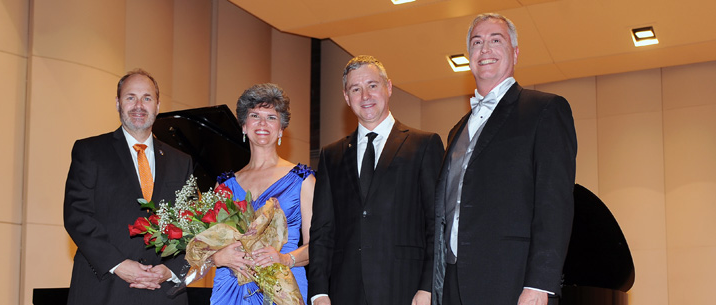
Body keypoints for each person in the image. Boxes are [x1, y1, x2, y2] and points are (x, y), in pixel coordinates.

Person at [431, 13, 577, 305]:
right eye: (477, 42)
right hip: (452, 284)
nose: (484, 49)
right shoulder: (456, 130)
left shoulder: (545, 110)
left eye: (495, 40)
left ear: (516, 52)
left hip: (511, 281)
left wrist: (540, 284)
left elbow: (554, 204)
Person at [309, 55, 445, 305]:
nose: (365, 96)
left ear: (388, 87)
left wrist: (428, 287)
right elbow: (322, 230)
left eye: (372, 85)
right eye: (355, 89)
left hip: (407, 289)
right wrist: (319, 292)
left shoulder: (424, 145)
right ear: (346, 97)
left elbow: (436, 224)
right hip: (345, 292)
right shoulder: (331, 155)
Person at [63, 69, 194, 305]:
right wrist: (118, 264)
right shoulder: (90, 151)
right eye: (130, 97)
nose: (139, 105)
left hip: (163, 292)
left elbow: (194, 225)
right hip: (104, 288)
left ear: (157, 105)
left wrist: (171, 270)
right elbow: (77, 216)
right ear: (117, 103)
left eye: (147, 98)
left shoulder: (181, 161)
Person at [208, 83, 315, 304]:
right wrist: (217, 257)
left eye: (271, 117)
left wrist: (286, 259)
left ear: (281, 129)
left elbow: (319, 245)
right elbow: (206, 247)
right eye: (255, 116)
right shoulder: (224, 186)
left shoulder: (302, 180)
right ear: (244, 126)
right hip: (231, 287)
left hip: (282, 285)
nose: (262, 123)